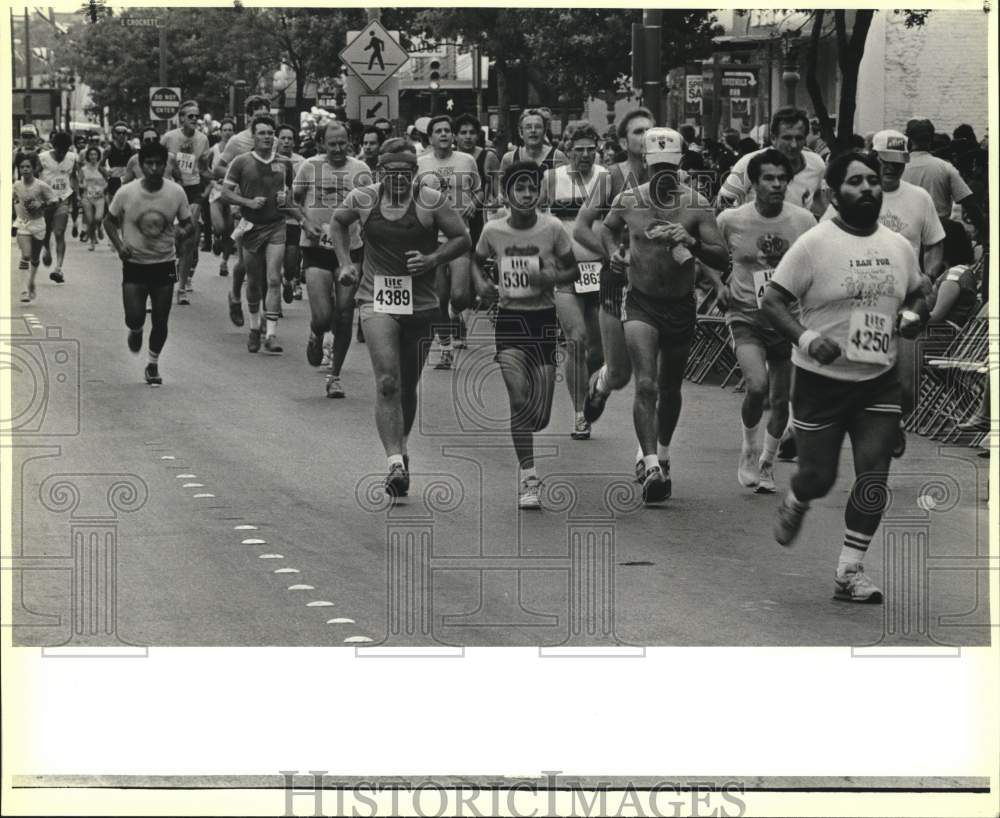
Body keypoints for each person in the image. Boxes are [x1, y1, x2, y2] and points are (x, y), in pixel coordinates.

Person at [761, 151, 928, 603]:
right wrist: (806, 337)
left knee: (874, 478)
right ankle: (798, 497)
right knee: (818, 477)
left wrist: (913, 314)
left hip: (878, 380)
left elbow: (919, 291)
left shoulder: (897, 246)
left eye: (873, 180)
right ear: (836, 193)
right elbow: (772, 301)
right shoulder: (814, 244)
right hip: (820, 382)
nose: (868, 188)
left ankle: (849, 570)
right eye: (856, 182)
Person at [329, 138, 471, 497]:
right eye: (391, 172)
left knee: (407, 385)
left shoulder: (430, 201)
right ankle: (393, 461)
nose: (399, 179)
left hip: (421, 303)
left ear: (415, 173)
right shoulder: (365, 198)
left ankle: (401, 448)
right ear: (380, 172)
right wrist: (346, 262)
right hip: (376, 298)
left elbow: (462, 239)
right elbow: (337, 222)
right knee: (388, 381)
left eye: (406, 173)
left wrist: (433, 259)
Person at [601, 128, 728, 504]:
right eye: (657, 170)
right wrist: (614, 253)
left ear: (680, 165)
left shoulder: (696, 204)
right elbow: (608, 230)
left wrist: (690, 241)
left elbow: (721, 257)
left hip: (680, 304)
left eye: (670, 169)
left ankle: (665, 453)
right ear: (644, 165)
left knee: (671, 388)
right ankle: (651, 465)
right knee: (647, 385)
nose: (663, 177)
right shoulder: (628, 200)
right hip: (641, 302)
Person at [473, 161, 578, 509]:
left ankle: (530, 447)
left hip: (544, 321)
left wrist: (548, 278)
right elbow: (475, 260)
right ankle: (528, 479)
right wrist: (482, 283)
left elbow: (572, 268)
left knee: (540, 415)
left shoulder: (553, 228)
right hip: (510, 322)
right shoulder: (492, 230)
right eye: (520, 189)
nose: (527, 195)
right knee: (519, 402)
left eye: (533, 189)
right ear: (507, 195)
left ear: (540, 193)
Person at [716, 149, 816, 493]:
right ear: (754, 183)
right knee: (757, 386)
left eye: (781, 179)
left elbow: (815, 265)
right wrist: (716, 284)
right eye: (768, 179)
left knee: (781, 398)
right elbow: (712, 255)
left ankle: (768, 463)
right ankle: (749, 448)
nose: (776, 185)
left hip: (788, 319)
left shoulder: (803, 221)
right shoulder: (731, 220)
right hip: (745, 315)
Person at [574, 108, 653, 444]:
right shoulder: (611, 177)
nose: (646, 138)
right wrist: (612, 254)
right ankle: (601, 384)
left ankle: (649, 459)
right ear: (623, 140)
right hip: (617, 280)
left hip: (657, 284)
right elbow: (580, 228)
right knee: (621, 374)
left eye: (651, 131)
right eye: (638, 132)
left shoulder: (670, 177)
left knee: (651, 380)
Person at [104, 141, 194, 386]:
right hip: (135, 263)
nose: (154, 168)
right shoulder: (127, 192)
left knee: (161, 319)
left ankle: (152, 364)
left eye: (158, 164)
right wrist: (119, 245)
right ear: (141, 166)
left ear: (165, 166)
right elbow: (108, 221)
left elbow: (189, 224)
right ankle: (135, 330)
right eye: (149, 164)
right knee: (134, 317)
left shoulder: (175, 192)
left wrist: (181, 233)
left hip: (164, 262)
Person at [294, 121, 372, 397]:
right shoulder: (308, 167)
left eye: (343, 143)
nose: (338, 148)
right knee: (324, 316)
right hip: (316, 247)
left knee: (345, 312)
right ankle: (316, 333)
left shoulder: (360, 170)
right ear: (321, 145)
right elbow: (291, 202)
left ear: (349, 143)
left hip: (351, 249)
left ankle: (334, 375)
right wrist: (305, 223)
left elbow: (369, 208)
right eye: (332, 144)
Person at [542, 122, 608, 441]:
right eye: (578, 149)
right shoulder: (552, 179)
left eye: (590, 148)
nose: (584, 155)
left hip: (601, 271)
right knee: (576, 341)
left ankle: (597, 387)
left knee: (598, 349)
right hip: (566, 272)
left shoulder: (607, 178)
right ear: (567, 150)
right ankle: (580, 413)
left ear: (598, 149)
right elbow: (536, 217)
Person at [221, 114, 300, 354]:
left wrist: (287, 202)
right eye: (262, 133)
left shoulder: (284, 163)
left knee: (274, 278)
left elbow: (292, 197)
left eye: (270, 133)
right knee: (254, 281)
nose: (267, 137)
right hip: (251, 226)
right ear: (253, 136)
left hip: (276, 225)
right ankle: (255, 328)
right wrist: (247, 201)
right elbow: (226, 193)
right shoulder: (241, 162)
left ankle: (272, 334)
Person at [416, 115, 480, 370]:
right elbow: (413, 195)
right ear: (429, 138)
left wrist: (474, 203)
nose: (443, 134)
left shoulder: (467, 161)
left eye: (447, 130)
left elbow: (479, 189)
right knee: (439, 298)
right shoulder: (421, 165)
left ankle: (457, 316)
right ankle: (445, 348)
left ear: (453, 136)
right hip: (432, 239)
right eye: (438, 131)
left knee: (460, 296)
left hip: (459, 236)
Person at [717, 107, 826, 219]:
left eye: (799, 138)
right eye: (787, 138)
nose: (794, 145)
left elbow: (816, 196)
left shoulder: (816, 164)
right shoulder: (750, 162)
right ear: (773, 138)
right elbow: (724, 200)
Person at [902, 118, 987, 243]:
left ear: (909, 139)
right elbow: (969, 203)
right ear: (931, 138)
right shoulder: (945, 168)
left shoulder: (900, 168)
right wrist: (984, 232)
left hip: (906, 233)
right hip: (939, 233)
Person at [161, 100, 212, 304]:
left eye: (196, 116)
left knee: (190, 238)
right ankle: (169, 271)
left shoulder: (203, 140)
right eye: (190, 116)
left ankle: (181, 288)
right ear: (181, 118)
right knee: (173, 239)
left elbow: (204, 168)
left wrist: (216, 180)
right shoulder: (169, 138)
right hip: (171, 190)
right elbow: (157, 161)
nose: (194, 120)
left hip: (193, 190)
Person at [12, 151, 58, 302]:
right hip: (23, 224)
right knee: (25, 255)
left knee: (35, 258)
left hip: (38, 224)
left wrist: (42, 204)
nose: (24, 169)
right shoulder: (16, 186)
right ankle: (24, 289)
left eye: (27, 167)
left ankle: (32, 282)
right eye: (22, 167)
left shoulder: (41, 186)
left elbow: (55, 200)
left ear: (33, 169)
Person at [38, 131, 79, 284]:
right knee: (45, 232)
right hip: (45, 201)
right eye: (59, 150)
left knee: (60, 232)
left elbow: (74, 177)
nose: (62, 153)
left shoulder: (72, 158)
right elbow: (35, 176)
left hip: (63, 199)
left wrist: (77, 194)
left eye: (65, 149)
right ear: (54, 147)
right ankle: (46, 249)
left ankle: (58, 268)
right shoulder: (43, 158)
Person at [276, 123, 306, 304]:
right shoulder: (268, 160)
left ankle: (288, 279)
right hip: (273, 219)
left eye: (290, 139)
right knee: (272, 261)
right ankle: (273, 304)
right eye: (283, 138)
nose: (286, 142)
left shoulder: (302, 162)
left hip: (293, 217)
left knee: (290, 261)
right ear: (276, 140)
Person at [207, 117, 236, 276]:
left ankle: (224, 262)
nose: (227, 132)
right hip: (217, 191)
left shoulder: (239, 150)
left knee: (230, 231)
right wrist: (212, 181)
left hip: (233, 191)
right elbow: (205, 169)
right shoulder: (213, 150)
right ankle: (214, 236)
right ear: (220, 132)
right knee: (220, 227)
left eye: (230, 129)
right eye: (224, 130)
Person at [499, 109, 568, 175]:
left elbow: (567, 185)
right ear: (521, 132)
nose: (533, 130)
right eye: (528, 127)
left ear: (544, 132)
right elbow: (501, 186)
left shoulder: (557, 157)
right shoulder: (509, 159)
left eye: (538, 127)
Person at [78, 146, 108, 252]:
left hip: (99, 197)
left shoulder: (102, 168)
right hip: (87, 197)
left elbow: (107, 181)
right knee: (90, 220)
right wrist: (84, 186)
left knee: (98, 218)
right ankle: (92, 241)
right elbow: (79, 183)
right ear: (88, 156)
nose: (93, 157)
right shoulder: (83, 169)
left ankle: (99, 227)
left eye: (95, 154)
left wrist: (103, 189)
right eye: (91, 154)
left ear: (98, 156)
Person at [103, 121, 134, 204]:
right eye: (118, 133)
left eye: (123, 133)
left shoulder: (131, 148)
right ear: (114, 134)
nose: (121, 135)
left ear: (127, 134)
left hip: (127, 178)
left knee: (128, 203)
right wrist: (107, 175)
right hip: (114, 179)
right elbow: (100, 166)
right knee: (114, 204)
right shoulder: (109, 149)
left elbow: (136, 162)